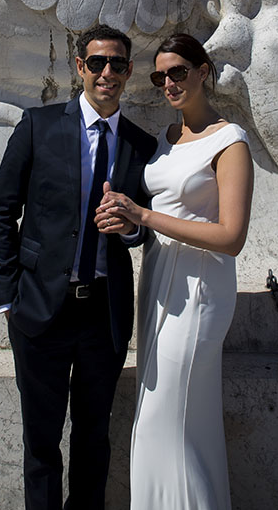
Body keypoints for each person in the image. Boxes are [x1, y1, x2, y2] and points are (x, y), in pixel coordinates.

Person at [0, 24, 157, 510]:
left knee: (93, 436)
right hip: (40, 310)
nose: (108, 73)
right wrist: (7, 297)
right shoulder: (38, 126)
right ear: (80, 67)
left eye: (118, 64)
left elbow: (144, 229)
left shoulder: (141, 147)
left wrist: (127, 227)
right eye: (98, 63)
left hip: (103, 314)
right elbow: (3, 211)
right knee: (41, 443)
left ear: (127, 72)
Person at [96, 33, 254, 510]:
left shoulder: (230, 141)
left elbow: (232, 237)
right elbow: (156, 213)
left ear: (204, 71)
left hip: (201, 291)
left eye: (178, 72)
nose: (168, 82)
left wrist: (144, 216)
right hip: (158, 282)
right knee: (175, 420)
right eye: (160, 75)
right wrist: (129, 221)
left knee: (168, 419)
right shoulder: (165, 140)